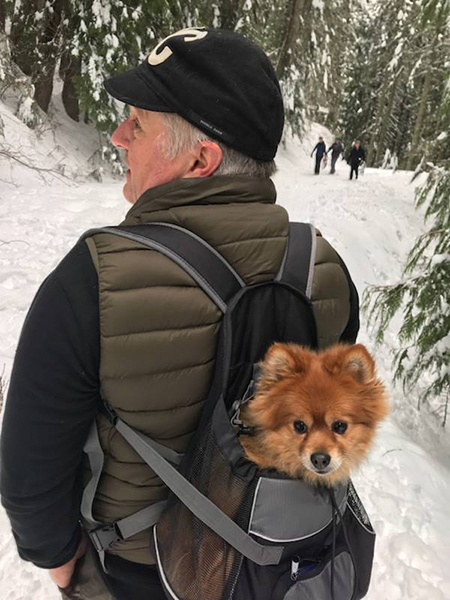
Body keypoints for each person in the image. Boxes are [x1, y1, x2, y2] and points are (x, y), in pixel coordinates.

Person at [0, 27, 359, 600]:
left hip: (137, 578)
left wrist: (67, 570)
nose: (118, 136)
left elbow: (29, 472)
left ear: (201, 158)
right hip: (276, 569)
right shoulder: (324, 269)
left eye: (137, 124)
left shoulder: (94, 278)